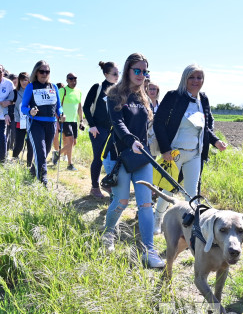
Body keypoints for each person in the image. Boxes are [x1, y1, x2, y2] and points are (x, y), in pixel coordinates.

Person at [101, 53, 164, 269]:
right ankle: (108, 234)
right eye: (137, 70)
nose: (141, 75)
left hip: (142, 156)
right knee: (121, 201)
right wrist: (131, 141)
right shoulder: (114, 94)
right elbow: (118, 123)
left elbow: (146, 130)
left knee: (146, 204)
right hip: (119, 155)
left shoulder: (144, 96)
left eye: (145, 71)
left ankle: (149, 250)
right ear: (128, 70)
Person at [152, 64, 227, 234]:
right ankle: (158, 219)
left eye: (199, 77)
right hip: (174, 153)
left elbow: (205, 126)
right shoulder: (174, 96)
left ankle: (191, 226)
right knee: (168, 188)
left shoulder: (204, 99)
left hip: (195, 154)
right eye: (192, 77)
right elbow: (159, 122)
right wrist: (165, 149)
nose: (196, 81)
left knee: (192, 193)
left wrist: (215, 141)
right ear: (184, 78)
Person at [21, 60, 64, 187]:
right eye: (42, 71)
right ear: (36, 72)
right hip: (36, 123)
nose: (44, 74)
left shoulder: (53, 87)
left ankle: (33, 171)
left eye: (47, 71)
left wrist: (61, 114)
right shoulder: (31, 86)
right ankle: (43, 180)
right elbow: (23, 107)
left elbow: (59, 107)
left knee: (45, 152)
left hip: (51, 123)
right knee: (40, 151)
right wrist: (30, 111)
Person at [83, 61, 119, 198]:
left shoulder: (118, 89)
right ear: (106, 74)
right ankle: (94, 187)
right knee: (98, 158)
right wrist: (91, 125)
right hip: (98, 129)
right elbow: (86, 107)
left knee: (114, 158)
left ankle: (108, 184)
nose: (117, 76)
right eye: (114, 74)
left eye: (118, 73)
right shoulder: (97, 87)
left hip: (113, 131)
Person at [54, 72, 84, 170]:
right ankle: (70, 164)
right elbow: (56, 106)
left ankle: (58, 154)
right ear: (67, 80)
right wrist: (57, 120)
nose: (73, 81)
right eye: (71, 79)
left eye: (75, 79)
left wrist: (81, 120)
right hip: (64, 120)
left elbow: (79, 107)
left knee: (73, 143)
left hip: (74, 121)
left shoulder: (79, 91)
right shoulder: (62, 90)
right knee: (70, 141)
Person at [12, 72, 33, 166]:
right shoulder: (15, 92)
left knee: (30, 145)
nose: (24, 82)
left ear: (29, 80)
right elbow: (9, 102)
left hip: (31, 121)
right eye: (21, 80)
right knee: (19, 144)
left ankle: (29, 165)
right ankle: (14, 160)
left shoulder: (32, 91)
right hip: (19, 121)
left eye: (25, 80)